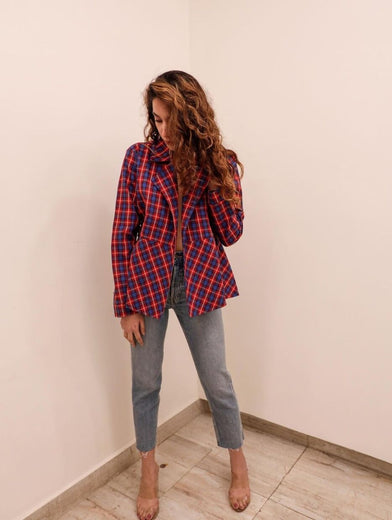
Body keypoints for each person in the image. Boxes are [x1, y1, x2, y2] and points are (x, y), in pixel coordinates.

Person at [111, 70, 250, 520]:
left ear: (192, 118)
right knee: (145, 383)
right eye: (157, 119)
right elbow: (122, 233)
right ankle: (148, 470)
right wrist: (125, 306)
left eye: (172, 120)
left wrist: (212, 170)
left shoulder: (220, 161)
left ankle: (238, 461)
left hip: (200, 279)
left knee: (217, 380)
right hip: (147, 281)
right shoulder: (138, 159)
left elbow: (231, 233)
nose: (164, 129)